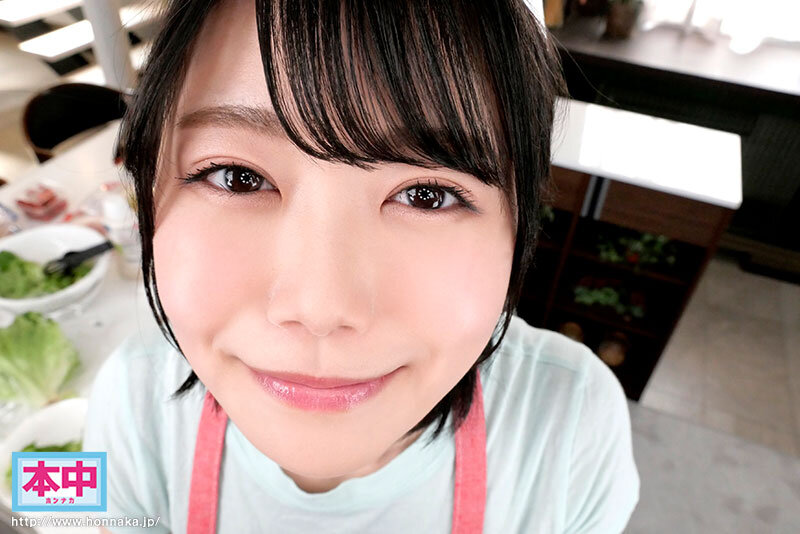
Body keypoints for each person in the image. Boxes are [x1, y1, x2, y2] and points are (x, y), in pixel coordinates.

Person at [84, 0, 640, 532]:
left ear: (520, 224)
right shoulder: (126, 398)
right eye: (238, 178)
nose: (321, 310)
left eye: (426, 195)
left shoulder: (575, 424)